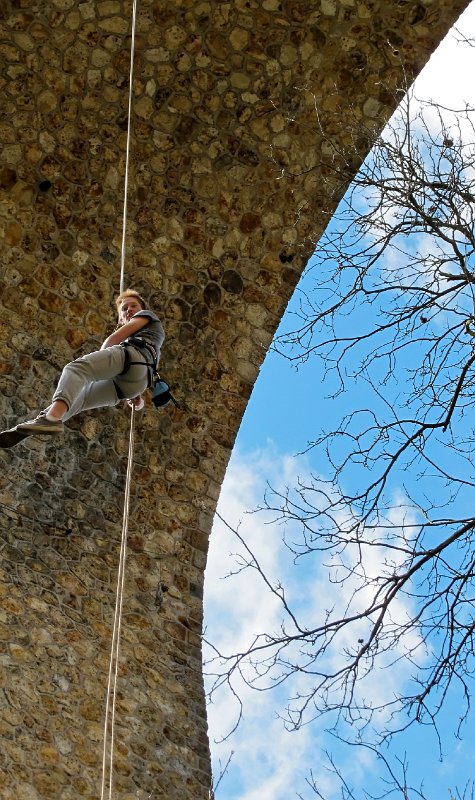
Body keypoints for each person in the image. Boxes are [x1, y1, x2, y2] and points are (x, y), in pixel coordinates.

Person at [13, 289, 165, 437]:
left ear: (142, 309)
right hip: (136, 383)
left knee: (76, 369)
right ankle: (45, 419)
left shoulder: (147, 316)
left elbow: (112, 340)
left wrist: (100, 362)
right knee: (81, 398)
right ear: (120, 319)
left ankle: (51, 419)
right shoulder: (152, 339)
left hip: (132, 358)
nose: (129, 310)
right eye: (124, 308)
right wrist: (138, 401)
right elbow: (139, 397)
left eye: (133, 306)